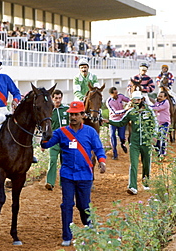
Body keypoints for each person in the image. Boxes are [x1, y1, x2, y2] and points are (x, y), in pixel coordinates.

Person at [41, 101, 106, 246]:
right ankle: (67, 236)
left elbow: (99, 148)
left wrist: (102, 161)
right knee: (67, 205)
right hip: (67, 175)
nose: (73, 117)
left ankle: (88, 225)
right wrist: (44, 135)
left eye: (76, 114)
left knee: (83, 205)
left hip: (85, 176)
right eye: (71, 114)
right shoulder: (61, 132)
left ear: (83, 115)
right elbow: (46, 144)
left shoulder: (90, 132)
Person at [103, 88, 157, 195]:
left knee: (146, 163)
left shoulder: (149, 111)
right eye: (133, 100)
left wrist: (154, 136)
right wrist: (109, 121)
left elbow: (154, 124)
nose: (135, 102)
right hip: (135, 142)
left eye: (137, 100)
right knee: (134, 164)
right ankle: (132, 186)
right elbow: (121, 123)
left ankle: (146, 183)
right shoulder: (131, 112)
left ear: (141, 99)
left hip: (146, 142)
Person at [44, 89, 69, 191]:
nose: (58, 100)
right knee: (53, 160)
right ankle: (50, 182)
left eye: (59, 98)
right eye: (56, 98)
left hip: (66, 140)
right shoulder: (50, 111)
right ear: (52, 99)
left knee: (65, 162)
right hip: (54, 140)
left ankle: (64, 182)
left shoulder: (66, 109)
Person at [105, 87, 130, 160]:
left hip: (122, 120)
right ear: (111, 94)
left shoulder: (120, 96)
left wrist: (130, 104)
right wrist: (125, 110)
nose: (116, 94)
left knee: (122, 136)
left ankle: (122, 144)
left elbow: (128, 100)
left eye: (117, 92)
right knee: (112, 135)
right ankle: (115, 153)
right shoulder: (109, 102)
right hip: (113, 120)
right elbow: (115, 112)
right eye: (115, 93)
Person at [150, 91, 170, 157]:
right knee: (157, 139)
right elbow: (154, 106)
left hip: (165, 123)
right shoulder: (158, 103)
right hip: (157, 124)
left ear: (165, 97)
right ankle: (159, 152)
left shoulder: (165, 103)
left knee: (163, 138)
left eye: (161, 96)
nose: (159, 97)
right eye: (159, 96)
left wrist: (147, 107)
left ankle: (162, 153)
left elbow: (156, 108)